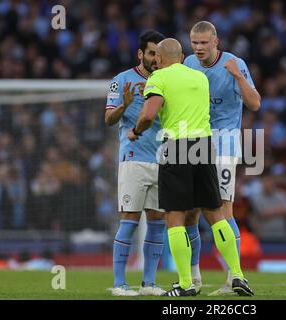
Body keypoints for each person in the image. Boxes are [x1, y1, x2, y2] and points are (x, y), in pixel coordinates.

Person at [129, 38, 253, 297]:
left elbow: (149, 114)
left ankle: (186, 283)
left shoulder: (158, 78)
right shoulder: (199, 77)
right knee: (216, 214)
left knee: (175, 216)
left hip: (176, 147)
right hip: (205, 146)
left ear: (160, 60)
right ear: (182, 55)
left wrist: (135, 130)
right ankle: (238, 275)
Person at [182, 20, 261, 296]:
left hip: (225, 142)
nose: (199, 48)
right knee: (190, 212)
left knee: (223, 211)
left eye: (204, 43)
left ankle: (234, 278)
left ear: (216, 42)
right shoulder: (188, 64)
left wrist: (238, 76)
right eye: (195, 43)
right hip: (193, 142)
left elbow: (255, 103)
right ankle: (193, 278)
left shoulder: (233, 63)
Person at [105, 30, 166, 297]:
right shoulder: (122, 80)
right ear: (140, 53)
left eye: (159, 54)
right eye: (151, 53)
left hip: (164, 159)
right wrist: (124, 106)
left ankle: (149, 283)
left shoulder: (167, 80)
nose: (155, 58)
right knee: (129, 220)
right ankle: (119, 283)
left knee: (157, 221)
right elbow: (108, 119)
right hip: (133, 158)